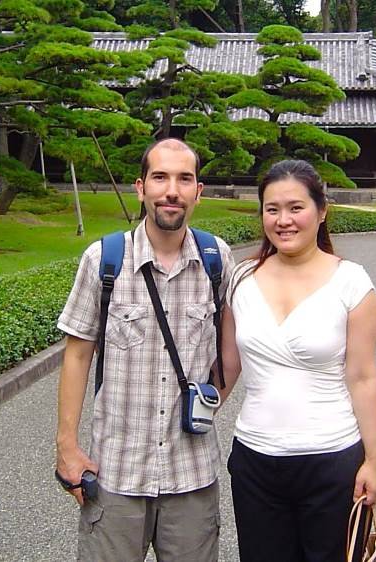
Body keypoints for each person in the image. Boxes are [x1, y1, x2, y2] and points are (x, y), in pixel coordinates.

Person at [54, 137, 235, 561]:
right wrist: (67, 447)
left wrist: (210, 402)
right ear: (141, 188)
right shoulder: (104, 260)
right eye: (160, 177)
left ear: (198, 192)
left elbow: (233, 351)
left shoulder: (216, 261)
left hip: (192, 476)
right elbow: (77, 355)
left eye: (183, 179)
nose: (171, 190)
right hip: (116, 472)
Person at [220, 159, 376, 561]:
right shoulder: (241, 280)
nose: (283, 220)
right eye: (272, 209)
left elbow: (362, 377)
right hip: (255, 460)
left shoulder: (352, 282)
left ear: (321, 211)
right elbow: (225, 369)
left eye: (296, 208)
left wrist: (375, 462)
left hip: (331, 460)